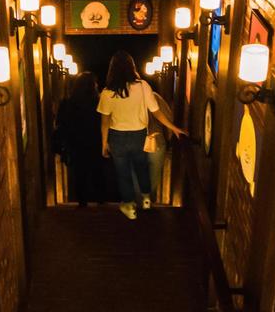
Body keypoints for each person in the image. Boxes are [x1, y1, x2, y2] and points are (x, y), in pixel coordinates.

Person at [98, 51, 185, 220]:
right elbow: (157, 111)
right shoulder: (143, 86)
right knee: (141, 167)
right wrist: (173, 128)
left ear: (112, 70)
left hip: (117, 137)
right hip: (139, 135)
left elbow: (105, 122)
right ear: (132, 67)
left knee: (123, 173)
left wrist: (104, 143)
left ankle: (130, 207)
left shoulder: (107, 92)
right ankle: (146, 199)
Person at [54, 72, 106, 207]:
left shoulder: (68, 103)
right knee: (97, 172)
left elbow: (61, 123)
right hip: (96, 142)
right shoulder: (99, 102)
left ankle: (82, 202)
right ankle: (101, 201)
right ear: (93, 86)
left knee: (79, 173)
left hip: (76, 143)